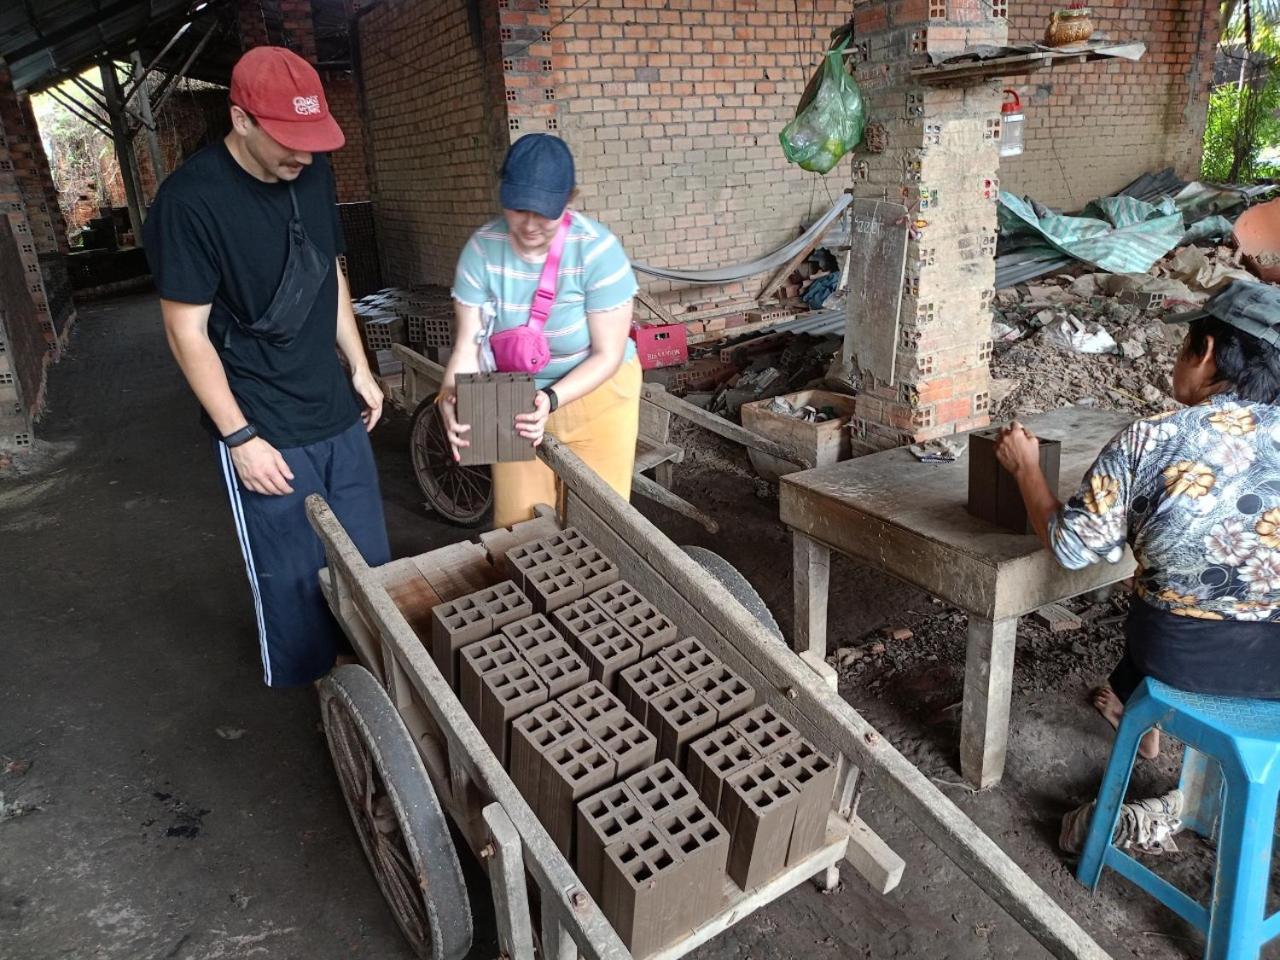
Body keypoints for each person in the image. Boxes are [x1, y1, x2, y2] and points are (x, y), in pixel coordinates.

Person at [143, 46, 390, 687]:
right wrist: (239, 438)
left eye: (313, 142)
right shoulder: (189, 203)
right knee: (291, 574)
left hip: (332, 404)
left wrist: (357, 365)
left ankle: (370, 670)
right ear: (242, 119)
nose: (303, 157)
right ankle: (326, 697)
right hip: (264, 423)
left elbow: (328, 272)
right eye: (289, 141)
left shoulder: (311, 171)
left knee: (369, 559)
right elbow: (185, 330)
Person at [995, 279, 1280, 763]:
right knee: (1180, 581)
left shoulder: (1154, 439)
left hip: (1182, 659)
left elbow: (1071, 549)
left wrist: (1025, 467)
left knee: (1164, 593)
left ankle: (1141, 711)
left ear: (1205, 350)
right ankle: (1140, 714)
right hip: (1272, 667)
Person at [439, 134, 641, 528]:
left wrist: (551, 397)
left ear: (568, 201)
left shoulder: (597, 251)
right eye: (518, 209)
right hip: (513, 395)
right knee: (518, 523)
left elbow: (608, 354)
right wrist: (451, 392)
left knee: (603, 521)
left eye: (544, 212)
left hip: (598, 395)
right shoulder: (482, 250)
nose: (529, 224)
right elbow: (468, 345)